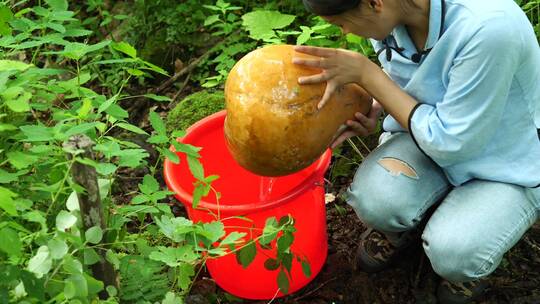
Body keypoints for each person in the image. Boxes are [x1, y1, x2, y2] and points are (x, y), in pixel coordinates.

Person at [292, 0, 540, 303]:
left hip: (507, 161)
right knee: (376, 200)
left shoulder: (488, 27)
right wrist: (371, 106)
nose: (345, 32)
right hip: (429, 137)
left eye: (341, 23)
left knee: (455, 252)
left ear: (374, 3)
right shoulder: (389, 18)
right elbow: (400, 81)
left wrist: (368, 76)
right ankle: (406, 226)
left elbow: (452, 144)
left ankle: (469, 262)